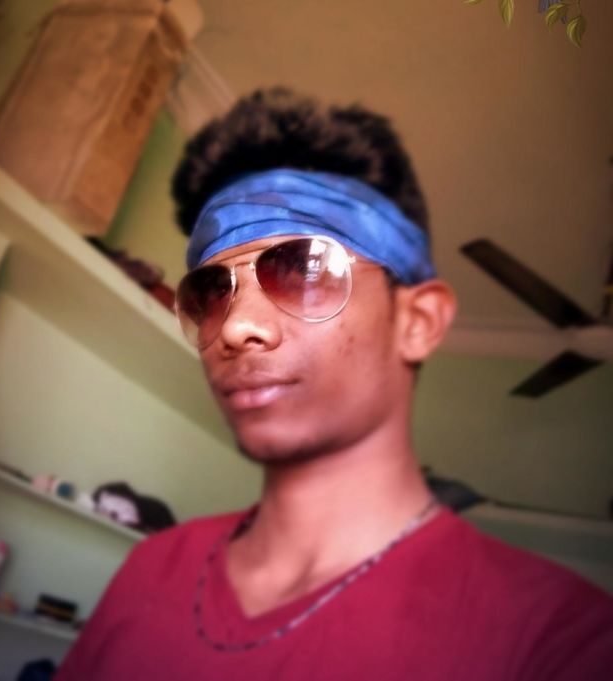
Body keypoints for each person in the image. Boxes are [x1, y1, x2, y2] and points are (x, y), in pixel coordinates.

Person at [56, 89, 612, 681]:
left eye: (304, 270)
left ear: (417, 322)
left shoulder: (557, 638)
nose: (235, 327)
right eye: (211, 293)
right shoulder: (149, 570)